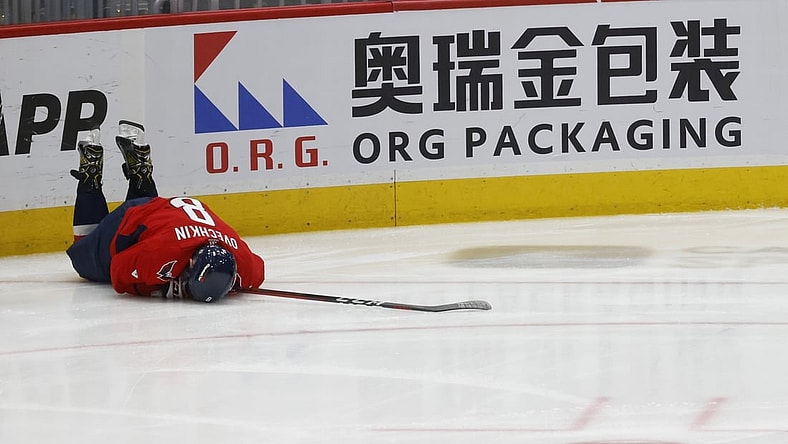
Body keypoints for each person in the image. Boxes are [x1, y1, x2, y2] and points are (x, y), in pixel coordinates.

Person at [66, 120, 265, 302]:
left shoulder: (245, 265)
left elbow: (260, 271)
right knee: (84, 261)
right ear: (190, 263)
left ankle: (141, 172)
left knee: (147, 229)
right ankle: (89, 172)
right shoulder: (159, 254)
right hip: (132, 218)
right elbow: (118, 270)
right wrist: (161, 289)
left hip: (162, 212)